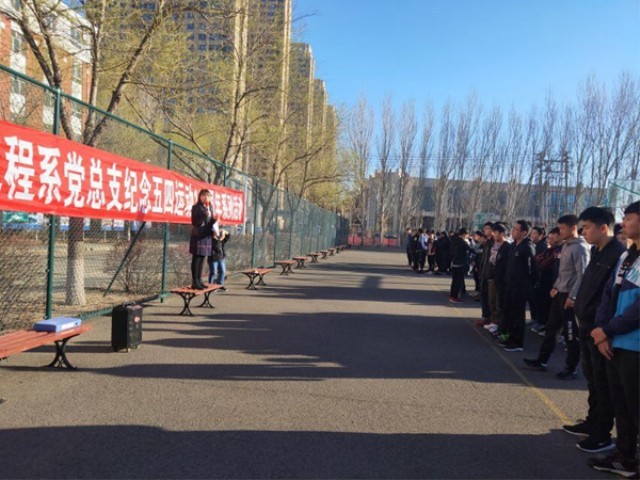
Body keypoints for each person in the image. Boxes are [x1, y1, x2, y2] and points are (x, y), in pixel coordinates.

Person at [562, 207, 626, 454]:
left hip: (600, 331)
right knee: (592, 379)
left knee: (603, 382)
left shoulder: (618, 255)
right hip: (586, 326)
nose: (583, 232)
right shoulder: (597, 251)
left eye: (587, 227)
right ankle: (592, 421)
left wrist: (604, 329)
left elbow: (611, 298)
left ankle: (602, 433)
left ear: (603, 227)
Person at [587, 201, 639, 479]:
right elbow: (609, 294)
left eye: (629, 218)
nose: (624, 223)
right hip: (615, 341)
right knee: (622, 407)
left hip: (634, 345)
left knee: (636, 407)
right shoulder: (627, 256)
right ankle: (625, 457)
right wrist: (601, 330)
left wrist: (608, 330)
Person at [524, 214, 590, 378]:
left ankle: (571, 368)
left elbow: (582, 275)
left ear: (573, 228)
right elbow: (563, 272)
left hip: (569, 297)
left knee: (570, 334)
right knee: (551, 329)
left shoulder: (581, 248)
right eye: (559, 228)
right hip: (559, 293)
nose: (560, 232)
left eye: (562, 228)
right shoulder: (565, 245)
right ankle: (542, 360)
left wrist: (573, 297)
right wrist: (556, 286)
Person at [500, 220, 537, 352]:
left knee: (517, 315)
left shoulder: (527, 247)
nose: (513, 231)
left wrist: (529, 285)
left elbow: (532, 269)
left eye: (516, 229)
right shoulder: (513, 245)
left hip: (520, 287)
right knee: (509, 313)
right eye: (513, 228)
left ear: (524, 232)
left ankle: (517, 342)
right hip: (510, 285)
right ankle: (510, 337)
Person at [531, 227, 563, 335]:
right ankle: (543, 323)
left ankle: (551, 329)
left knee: (552, 307)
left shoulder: (560, 250)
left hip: (555, 283)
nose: (549, 241)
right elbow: (538, 261)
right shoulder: (549, 250)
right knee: (543, 304)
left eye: (552, 238)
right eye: (548, 238)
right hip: (545, 281)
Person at [484, 222, 511, 334]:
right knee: (491, 300)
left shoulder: (507, 246)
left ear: (502, 233)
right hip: (491, 276)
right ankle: (493, 320)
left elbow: (506, 264)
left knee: (498, 301)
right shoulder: (493, 244)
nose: (494, 234)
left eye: (496, 232)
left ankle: (498, 323)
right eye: (493, 232)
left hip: (500, 279)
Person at [189, 189, 215, 290]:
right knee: (196, 258)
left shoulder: (210, 207)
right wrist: (205, 215)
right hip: (198, 235)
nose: (206, 197)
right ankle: (194, 281)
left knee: (202, 258)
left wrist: (215, 222)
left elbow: (210, 221)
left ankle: (199, 280)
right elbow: (194, 222)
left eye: (208, 196)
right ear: (200, 196)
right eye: (203, 195)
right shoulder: (196, 207)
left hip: (206, 236)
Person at [449, 228, 470, 304]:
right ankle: (455, 297)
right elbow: (469, 249)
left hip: (454, 263)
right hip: (461, 263)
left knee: (454, 281)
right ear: (464, 234)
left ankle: (452, 296)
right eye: (467, 234)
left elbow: (451, 251)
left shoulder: (454, 240)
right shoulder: (463, 242)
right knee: (459, 281)